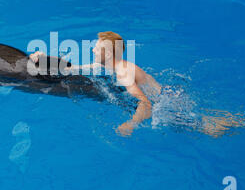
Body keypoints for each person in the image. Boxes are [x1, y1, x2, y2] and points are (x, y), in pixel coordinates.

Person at [30, 31, 161, 136]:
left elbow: (145, 103)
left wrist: (131, 124)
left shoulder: (122, 71)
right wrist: (44, 58)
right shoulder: (106, 65)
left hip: (167, 105)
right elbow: (71, 68)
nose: (93, 51)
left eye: (97, 49)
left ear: (108, 54)